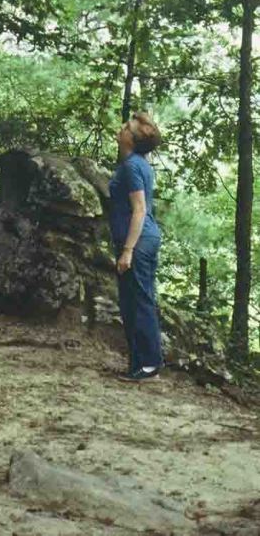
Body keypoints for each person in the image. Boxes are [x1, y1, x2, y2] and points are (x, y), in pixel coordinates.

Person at [109, 112, 163, 382]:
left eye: (127, 127)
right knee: (133, 302)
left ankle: (150, 365)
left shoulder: (132, 166)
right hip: (141, 241)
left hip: (139, 242)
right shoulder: (135, 163)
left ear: (132, 138)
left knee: (139, 302)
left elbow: (139, 210)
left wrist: (128, 250)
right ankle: (139, 365)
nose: (122, 128)